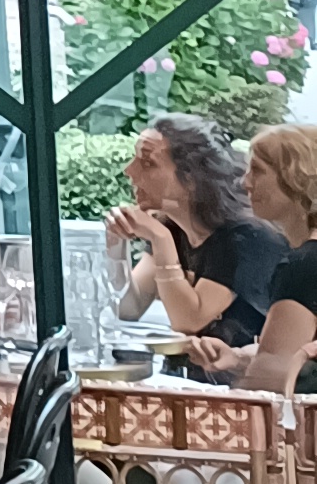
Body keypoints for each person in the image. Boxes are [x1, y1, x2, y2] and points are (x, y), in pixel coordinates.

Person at [107, 113, 285, 350]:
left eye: (148, 163)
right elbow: (128, 307)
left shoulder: (246, 237)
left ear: (191, 178)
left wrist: (160, 240)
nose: (129, 170)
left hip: (250, 371)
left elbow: (189, 320)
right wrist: (116, 245)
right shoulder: (173, 228)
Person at [176, 119, 317, 389]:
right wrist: (238, 358)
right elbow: (299, 358)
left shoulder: (305, 264)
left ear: (297, 180)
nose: (245, 182)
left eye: (258, 171)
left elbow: (271, 377)